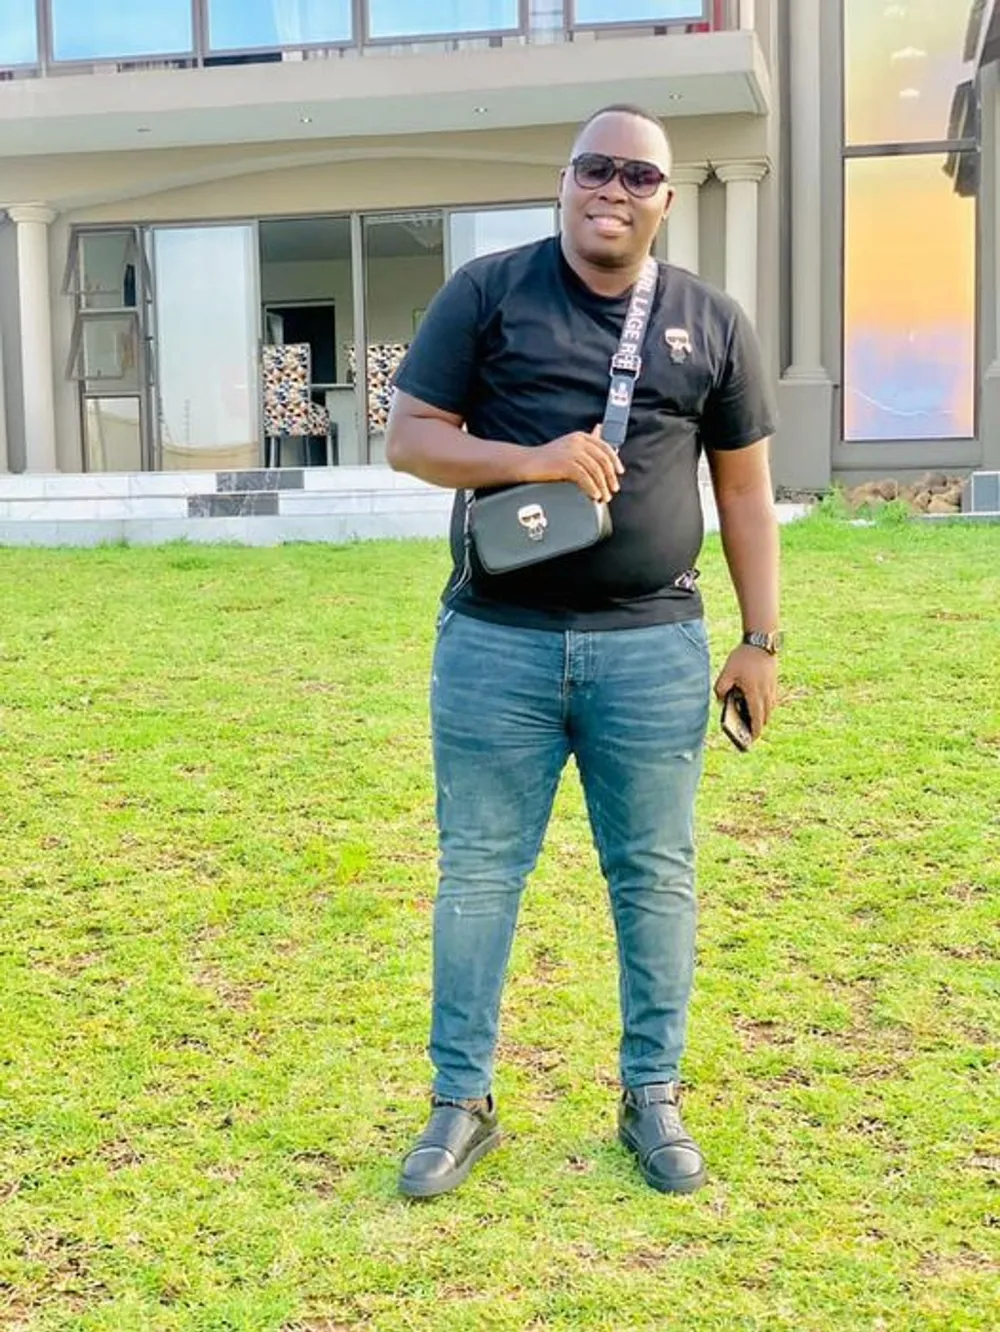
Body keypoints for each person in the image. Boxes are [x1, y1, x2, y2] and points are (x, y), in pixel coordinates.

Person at [385, 103, 781, 1199]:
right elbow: (410, 439)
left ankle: (651, 1097)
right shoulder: (488, 292)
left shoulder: (711, 320)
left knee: (654, 878)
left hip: (652, 646)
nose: (613, 189)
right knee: (477, 875)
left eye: (637, 176)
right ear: (563, 182)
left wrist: (758, 639)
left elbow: (744, 493)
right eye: (594, 169)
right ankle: (460, 1103)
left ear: (666, 197)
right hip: (494, 643)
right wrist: (534, 459)